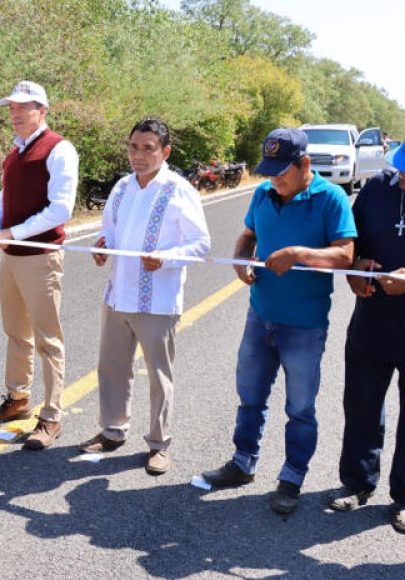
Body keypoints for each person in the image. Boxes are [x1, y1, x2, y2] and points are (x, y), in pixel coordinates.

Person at [202, 127, 356, 515]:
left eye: (281, 171)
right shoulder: (261, 193)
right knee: (250, 396)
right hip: (261, 315)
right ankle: (242, 462)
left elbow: (345, 256)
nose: (274, 178)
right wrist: (240, 258)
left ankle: (292, 477)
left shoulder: (332, 198)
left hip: (304, 324)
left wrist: (299, 253)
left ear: (305, 164)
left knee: (300, 407)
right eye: (268, 170)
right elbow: (248, 235)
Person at [78, 119, 211, 475]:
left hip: (158, 299)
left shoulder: (179, 190)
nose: (138, 155)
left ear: (165, 152)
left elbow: (201, 245)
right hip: (118, 293)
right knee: (112, 367)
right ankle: (112, 430)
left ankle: (159, 443)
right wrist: (102, 247)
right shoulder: (122, 187)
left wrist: (166, 259)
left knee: (158, 375)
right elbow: (109, 231)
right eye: (134, 147)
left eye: (148, 148)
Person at [0, 81, 79, 449]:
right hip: (13, 255)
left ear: (43, 110)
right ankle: (18, 399)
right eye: (12, 108)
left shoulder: (59, 148)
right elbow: (6, 193)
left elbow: (61, 209)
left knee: (48, 340)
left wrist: (12, 233)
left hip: (40, 257)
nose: (16, 113)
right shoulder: (15, 150)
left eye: (24, 107)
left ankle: (51, 416)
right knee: (16, 332)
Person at [328, 145, 405, 533]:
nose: (403, 178)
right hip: (372, 320)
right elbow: (350, 241)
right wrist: (355, 267)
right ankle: (357, 483)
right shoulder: (376, 188)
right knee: (361, 403)